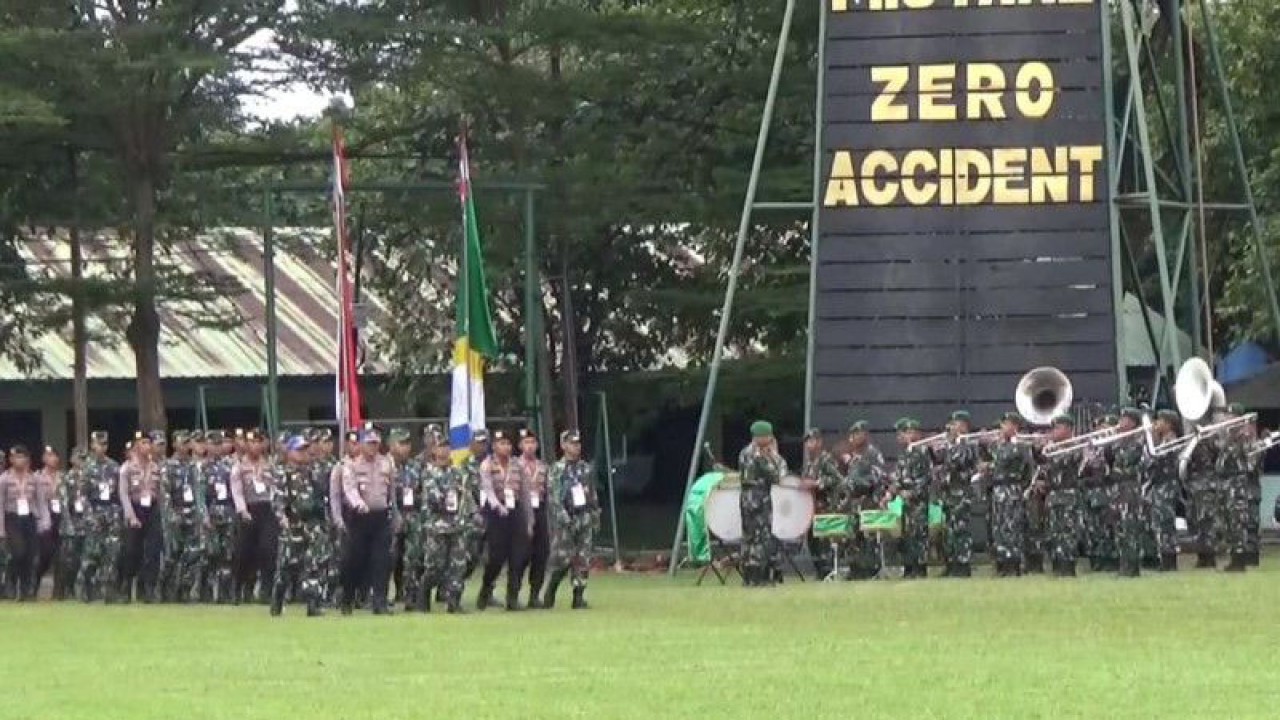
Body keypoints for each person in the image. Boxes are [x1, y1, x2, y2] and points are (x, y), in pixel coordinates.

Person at [271, 436, 331, 617]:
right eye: (299, 450)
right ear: (289, 452)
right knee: (286, 567)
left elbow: (321, 498)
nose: (303, 454)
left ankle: (313, 604)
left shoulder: (312, 474)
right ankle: (277, 601)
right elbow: (277, 500)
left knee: (314, 564)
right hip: (292, 525)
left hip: (312, 526)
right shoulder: (283, 474)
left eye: (305, 450)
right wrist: (282, 518)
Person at [340, 429, 396, 614]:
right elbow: (349, 489)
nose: (373, 447)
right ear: (362, 445)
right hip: (360, 518)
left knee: (382, 561)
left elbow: (392, 492)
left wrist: (395, 514)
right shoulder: (352, 465)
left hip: (380, 517)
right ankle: (348, 599)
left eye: (376, 443)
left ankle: (379, 602)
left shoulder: (386, 463)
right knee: (355, 560)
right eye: (370, 443)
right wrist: (358, 504)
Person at [543, 430, 600, 609]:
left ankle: (578, 596)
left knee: (583, 558)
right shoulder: (557, 469)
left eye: (577, 443)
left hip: (584, 516)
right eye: (572, 443)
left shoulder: (585, 468)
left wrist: (595, 515)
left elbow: (592, 493)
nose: (576, 447)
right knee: (563, 559)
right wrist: (564, 518)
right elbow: (553, 497)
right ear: (564, 446)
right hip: (565, 519)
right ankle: (550, 591)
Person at [477, 430, 531, 610]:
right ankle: (486, 590)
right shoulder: (487, 464)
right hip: (496, 513)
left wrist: (529, 520)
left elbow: (525, 494)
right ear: (494, 446)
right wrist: (497, 506)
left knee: (518, 556)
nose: (506, 447)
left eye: (508, 444)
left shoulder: (518, 465)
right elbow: (487, 488)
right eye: (502, 443)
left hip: (515, 511)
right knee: (496, 558)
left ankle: (512, 597)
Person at [422, 435, 472, 614]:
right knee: (435, 566)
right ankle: (423, 594)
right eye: (440, 447)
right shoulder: (429, 473)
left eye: (446, 447)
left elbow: (465, 498)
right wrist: (446, 495)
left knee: (458, 565)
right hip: (437, 526)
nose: (443, 451)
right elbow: (434, 498)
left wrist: (465, 517)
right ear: (434, 450)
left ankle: (454, 601)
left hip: (457, 525)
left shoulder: (457, 473)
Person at [231, 429, 279, 603]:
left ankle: (266, 589)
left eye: (258, 442)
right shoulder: (239, 466)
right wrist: (242, 510)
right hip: (248, 509)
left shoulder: (269, 465)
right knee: (244, 552)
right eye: (252, 442)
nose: (255, 446)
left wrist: (278, 510)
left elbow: (275, 487)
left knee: (268, 549)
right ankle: (239, 588)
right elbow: (237, 490)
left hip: (267, 509)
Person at [985, 412, 1035, 577]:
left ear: (1015, 426)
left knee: (1012, 527)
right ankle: (1002, 562)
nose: (1003, 427)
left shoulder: (1020, 446)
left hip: (1012, 489)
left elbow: (1027, 469)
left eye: (1006, 424)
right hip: (998, 490)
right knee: (998, 527)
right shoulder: (998, 446)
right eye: (1002, 424)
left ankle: (1014, 563)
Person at [0, 445, 52, 600]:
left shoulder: (34, 479)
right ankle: (10, 582)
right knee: (18, 552)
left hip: (29, 518)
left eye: (21, 457)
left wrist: (45, 521)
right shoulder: (4, 479)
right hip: (12, 518)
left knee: (30, 555)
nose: (18, 460)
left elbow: (41, 502)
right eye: (15, 457)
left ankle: (25, 589)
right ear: (11, 459)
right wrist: (1, 528)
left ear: (27, 459)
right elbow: (0, 504)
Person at [738, 420, 785, 587]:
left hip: (746, 498)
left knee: (748, 536)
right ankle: (758, 576)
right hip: (759, 498)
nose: (771, 439)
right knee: (761, 537)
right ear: (762, 437)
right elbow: (777, 475)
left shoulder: (744, 452)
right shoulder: (759, 455)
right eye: (769, 436)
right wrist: (775, 455)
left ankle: (747, 576)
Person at [118, 432, 164, 603]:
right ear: (136, 445)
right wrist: (131, 516)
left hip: (151, 509)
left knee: (152, 551)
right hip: (135, 508)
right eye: (143, 442)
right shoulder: (127, 468)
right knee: (132, 551)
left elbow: (160, 492)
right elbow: (123, 494)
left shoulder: (155, 467)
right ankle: (126, 587)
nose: (146, 446)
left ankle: (148, 588)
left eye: (148, 443)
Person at [162, 430, 206, 602]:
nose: (185, 446)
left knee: (192, 554)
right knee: (173, 554)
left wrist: (201, 513)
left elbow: (199, 491)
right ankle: (167, 588)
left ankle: (185, 589)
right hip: (176, 513)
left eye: (187, 442)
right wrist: (171, 515)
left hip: (192, 514)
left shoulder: (194, 466)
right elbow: (165, 494)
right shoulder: (168, 466)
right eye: (182, 442)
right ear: (174, 445)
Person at [78, 430, 123, 602]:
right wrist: (90, 517)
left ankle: (108, 589)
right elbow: (83, 496)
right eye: (99, 444)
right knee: (92, 553)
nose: (102, 448)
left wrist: (117, 513)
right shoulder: (87, 468)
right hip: (94, 512)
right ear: (92, 445)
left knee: (112, 552)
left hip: (111, 513)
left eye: (104, 444)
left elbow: (119, 493)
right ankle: (86, 587)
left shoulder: (114, 466)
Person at [937, 411, 980, 577]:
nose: (953, 427)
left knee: (961, 529)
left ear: (964, 426)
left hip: (962, 492)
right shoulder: (951, 444)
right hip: (949, 493)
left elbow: (957, 461)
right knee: (950, 529)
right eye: (953, 424)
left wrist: (949, 445)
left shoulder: (969, 444)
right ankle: (951, 562)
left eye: (957, 424)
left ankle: (962, 564)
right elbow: (940, 463)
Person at [842, 421, 886, 580]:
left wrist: (856, 480)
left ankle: (870, 569)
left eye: (856, 434)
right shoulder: (855, 457)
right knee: (852, 538)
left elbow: (876, 478)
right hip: (854, 504)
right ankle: (855, 568)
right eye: (852, 435)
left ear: (865, 435)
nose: (853, 438)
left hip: (869, 502)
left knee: (869, 538)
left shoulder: (872, 454)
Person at [388, 427, 425, 610]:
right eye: (401, 443)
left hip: (412, 516)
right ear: (391, 445)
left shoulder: (415, 466)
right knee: (391, 557)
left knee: (412, 557)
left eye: (407, 444)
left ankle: (410, 594)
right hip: (391, 516)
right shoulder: (384, 465)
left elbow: (423, 490)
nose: (405, 447)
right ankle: (381, 594)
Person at [1106, 408, 1146, 578]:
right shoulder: (1118, 442)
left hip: (1130, 487)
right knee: (1119, 527)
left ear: (1133, 423)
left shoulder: (1137, 441)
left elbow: (1128, 459)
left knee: (1130, 526)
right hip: (1117, 488)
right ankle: (1123, 564)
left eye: (1125, 420)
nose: (1120, 423)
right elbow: (1109, 460)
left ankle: (1132, 566)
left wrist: (1116, 441)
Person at [800, 428, 844, 580]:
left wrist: (817, 483)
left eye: (812, 441)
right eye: (807, 442)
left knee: (824, 542)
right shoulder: (809, 463)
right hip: (812, 508)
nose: (809, 445)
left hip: (825, 505)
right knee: (813, 540)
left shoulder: (826, 459)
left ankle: (828, 571)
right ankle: (819, 571)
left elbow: (838, 479)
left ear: (819, 442)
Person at [1217, 405, 1256, 572]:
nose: (1226, 418)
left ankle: (1239, 560)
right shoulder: (1227, 435)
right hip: (1226, 482)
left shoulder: (1243, 435)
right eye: (1227, 415)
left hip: (1237, 482)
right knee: (1228, 521)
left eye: (1230, 415)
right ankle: (1233, 557)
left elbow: (1249, 460)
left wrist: (1237, 435)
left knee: (1237, 520)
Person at [892, 418, 932, 579]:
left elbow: (926, 477)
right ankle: (908, 566)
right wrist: (895, 490)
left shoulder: (922, 453)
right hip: (906, 502)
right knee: (907, 534)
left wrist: (912, 492)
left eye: (909, 432)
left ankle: (920, 568)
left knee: (919, 533)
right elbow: (899, 476)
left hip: (918, 501)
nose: (905, 436)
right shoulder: (904, 455)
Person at [1042, 415, 1082, 576]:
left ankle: (1068, 566)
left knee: (1068, 531)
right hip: (1054, 494)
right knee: (1054, 532)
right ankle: (1057, 564)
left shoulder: (1076, 446)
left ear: (1068, 429)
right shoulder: (1052, 449)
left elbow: (1065, 462)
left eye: (1058, 428)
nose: (1054, 431)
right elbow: (1045, 468)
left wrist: (1052, 447)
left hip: (1068, 494)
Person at [517, 428, 551, 607]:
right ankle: (514, 593)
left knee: (541, 554)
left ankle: (535, 594)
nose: (529, 446)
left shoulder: (543, 467)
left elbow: (549, 491)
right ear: (520, 445)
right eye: (526, 442)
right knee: (521, 554)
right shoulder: (515, 466)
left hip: (540, 511)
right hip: (521, 513)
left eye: (532, 442)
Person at [1144, 410, 1181, 572]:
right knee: (1159, 522)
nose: (1156, 424)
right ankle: (1164, 557)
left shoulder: (1171, 440)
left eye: (1160, 421)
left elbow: (1156, 458)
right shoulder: (1162, 440)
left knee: (1165, 522)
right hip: (1159, 485)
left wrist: (1151, 437)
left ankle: (1169, 560)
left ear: (1169, 424)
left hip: (1167, 485)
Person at [1083, 415, 1118, 571]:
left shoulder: (1114, 444)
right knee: (1093, 526)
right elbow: (1085, 466)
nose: (1099, 430)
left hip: (1109, 489)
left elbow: (1112, 462)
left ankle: (1111, 559)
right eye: (1097, 427)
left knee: (1108, 526)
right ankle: (1096, 558)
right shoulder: (1091, 445)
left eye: (1104, 426)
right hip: (1092, 489)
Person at [1182, 430, 1220, 569]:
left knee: (1207, 522)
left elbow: (1217, 453)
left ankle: (1210, 557)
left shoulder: (1210, 441)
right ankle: (1201, 556)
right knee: (1194, 522)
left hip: (1206, 487)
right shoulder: (1191, 443)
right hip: (1193, 487)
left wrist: (1206, 437)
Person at [56, 448, 89, 601]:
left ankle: (84, 589)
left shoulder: (89, 477)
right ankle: (66, 588)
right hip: (70, 522)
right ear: (72, 459)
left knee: (85, 557)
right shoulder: (66, 478)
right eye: (79, 458)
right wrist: (68, 524)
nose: (82, 462)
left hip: (86, 522)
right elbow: (63, 503)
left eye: (84, 459)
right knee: (69, 559)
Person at [35, 446, 64, 598]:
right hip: (45, 515)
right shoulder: (37, 477)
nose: (51, 458)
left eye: (53, 455)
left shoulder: (63, 477)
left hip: (60, 516)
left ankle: (58, 591)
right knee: (46, 553)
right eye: (47, 455)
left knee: (61, 555)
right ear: (43, 458)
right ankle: (35, 581)